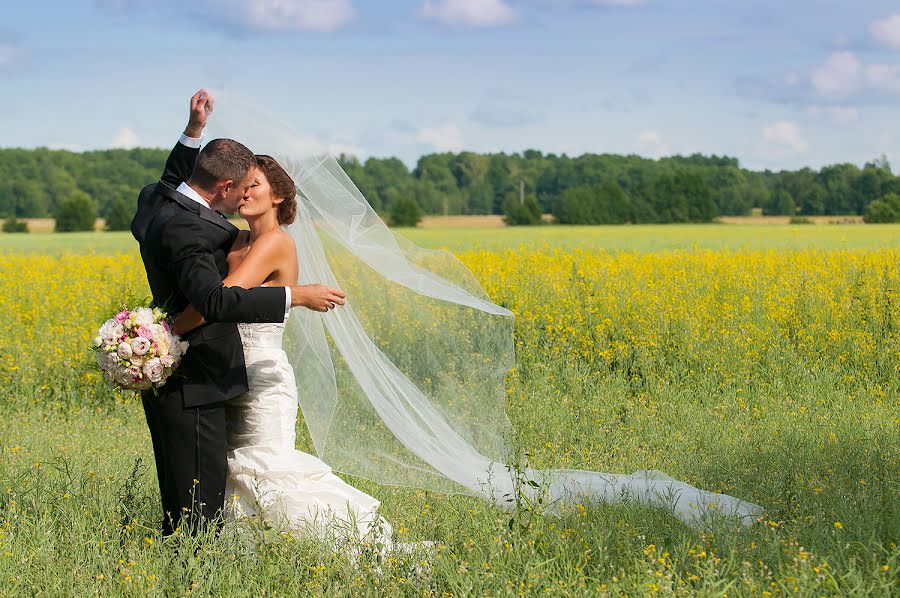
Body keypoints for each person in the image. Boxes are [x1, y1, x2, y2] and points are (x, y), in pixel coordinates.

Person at [131, 90, 346, 536]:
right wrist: (194, 132)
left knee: (264, 470)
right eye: (243, 186)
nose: (246, 193)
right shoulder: (228, 235)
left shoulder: (272, 242)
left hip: (258, 371)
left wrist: (162, 333)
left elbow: (217, 301)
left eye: (256, 187)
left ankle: (313, 542)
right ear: (224, 186)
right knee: (224, 476)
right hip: (224, 371)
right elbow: (177, 185)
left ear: (278, 195)